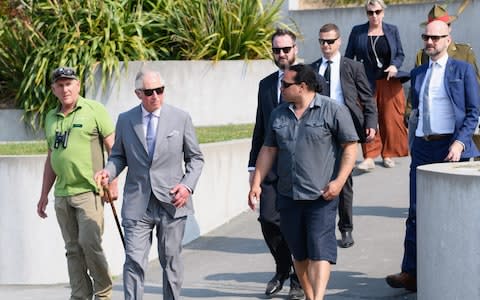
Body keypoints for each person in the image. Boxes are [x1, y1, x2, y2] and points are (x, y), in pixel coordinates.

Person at [248, 64, 359, 300]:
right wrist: (256, 182)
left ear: (302, 87)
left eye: (286, 85)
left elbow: (350, 147)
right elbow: (268, 149)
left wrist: (339, 182)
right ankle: (310, 296)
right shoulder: (279, 113)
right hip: (288, 195)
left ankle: (317, 297)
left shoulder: (333, 110)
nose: (281, 88)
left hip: (322, 195)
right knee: (298, 253)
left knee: (320, 251)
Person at [386, 20, 480, 292]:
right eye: (426, 37)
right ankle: (411, 272)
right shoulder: (418, 73)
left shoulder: (462, 70)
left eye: (436, 38)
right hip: (424, 148)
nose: (430, 42)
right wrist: (414, 143)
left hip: (452, 148)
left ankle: (456, 269)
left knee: (454, 214)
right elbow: (417, 111)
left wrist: (461, 143)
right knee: (416, 211)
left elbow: (473, 112)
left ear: (448, 40)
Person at [95, 69, 204, 300]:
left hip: (172, 202)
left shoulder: (180, 117)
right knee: (134, 260)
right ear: (138, 94)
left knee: (171, 260)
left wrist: (186, 186)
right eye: (149, 92)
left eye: (160, 90)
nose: (155, 95)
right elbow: (118, 156)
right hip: (138, 203)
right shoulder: (126, 120)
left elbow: (195, 158)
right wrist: (108, 171)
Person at [248, 28, 326, 299]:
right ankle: (283, 267)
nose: (282, 54)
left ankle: (297, 277)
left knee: (300, 225)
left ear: (295, 49)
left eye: (286, 49)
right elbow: (260, 129)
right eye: (277, 50)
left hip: (304, 167)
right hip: (271, 165)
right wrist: (253, 172)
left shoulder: (314, 80)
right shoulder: (266, 85)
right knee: (268, 219)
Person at [36, 66, 116, 300]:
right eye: (60, 85)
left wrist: (113, 181)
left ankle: (103, 293)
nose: (65, 88)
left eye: (69, 83)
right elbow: (52, 157)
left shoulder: (94, 110)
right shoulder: (51, 117)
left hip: (89, 191)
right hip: (62, 194)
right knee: (72, 250)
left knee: (89, 244)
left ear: (78, 85)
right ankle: (80, 295)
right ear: (54, 90)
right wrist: (43, 195)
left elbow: (115, 149)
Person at [310, 23, 378, 248]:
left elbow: (367, 97)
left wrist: (370, 123)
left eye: (330, 41)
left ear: (339, 42)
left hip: (345, 129)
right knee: (318, 179)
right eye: (322, 42)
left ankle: (346, 229)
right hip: (318, 131)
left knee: (343, 181)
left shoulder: (352, 67)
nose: (326, 46)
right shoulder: (312, 69)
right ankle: (322, 228)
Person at [345, 0, 409, 171]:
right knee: (367, 118)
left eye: (377, 12)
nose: (374, 15)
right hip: (365, 82)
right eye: (370, 12)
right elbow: (349, 56)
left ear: (383, 12)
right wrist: (351, 78)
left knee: (390, 119)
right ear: (366, 13)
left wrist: (395, 65)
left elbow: (400, 54)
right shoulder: (357, 31)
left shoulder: (392, 30)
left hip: (389, 81)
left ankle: (387, 154)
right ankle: (369, 156)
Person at [415, 4, 479, 82]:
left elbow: (475, 86)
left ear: (449, 28)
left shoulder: (464, 53)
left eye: (435, 36)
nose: (430, 41)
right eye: (427, 36)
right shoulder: (422, 56)